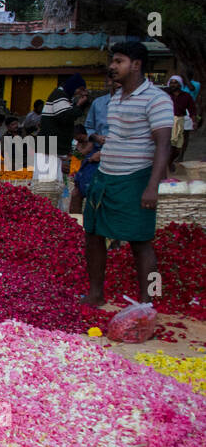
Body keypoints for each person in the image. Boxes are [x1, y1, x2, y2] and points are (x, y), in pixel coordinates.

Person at [81, 40, 173, 306]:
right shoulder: (115, 99)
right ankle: (96, 293)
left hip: (135, 179)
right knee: (93, 233)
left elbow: (163, 144)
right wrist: (100, 152)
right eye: (113, 61)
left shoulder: (157, 99)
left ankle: (147, 302)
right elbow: (119, 137)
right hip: (106, 176)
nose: (113, 66)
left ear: (136, 64)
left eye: (118, 61)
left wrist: (152, 186)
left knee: (139, 241)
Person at [38, 74, 90, 189]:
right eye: (79, 89)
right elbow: (65, 117)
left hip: (52, 146)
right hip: (49, 145)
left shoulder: (65, 98)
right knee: (47, 184)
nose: (80, 93)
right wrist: (79, 105)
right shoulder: (59, 95)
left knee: (54, 183)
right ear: (72, 86)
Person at [165, 75, 199, 169]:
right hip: (168, 121)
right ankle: (167, 165)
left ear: (180, 84)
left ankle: (170, 161)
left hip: (180, 120)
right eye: (171, 82)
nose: (173, 84)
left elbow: (192, 110)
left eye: (175, 82)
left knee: (178, 147)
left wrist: (194, 122)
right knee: (170, 145)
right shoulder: (165, 95)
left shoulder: (186, 96)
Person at [69, 125, 100, 214]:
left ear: (80, 135)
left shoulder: (92, 142)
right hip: (81, 174)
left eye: (75, 136)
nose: (75, 138)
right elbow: (76, 156)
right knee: (75, 196)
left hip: (92, 173)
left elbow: (82, 154)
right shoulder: (78, 143)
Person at [85, 77, 116, 143]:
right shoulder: (98, 103)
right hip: (100, 148)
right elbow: (88, 128)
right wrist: (96, 137)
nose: (120, 85)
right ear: (109, 82)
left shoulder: (134, 103)